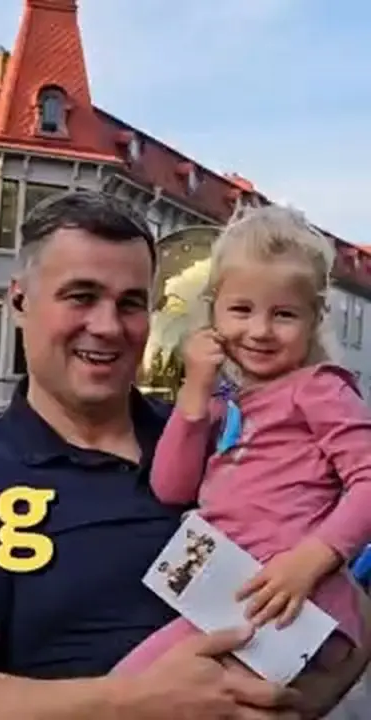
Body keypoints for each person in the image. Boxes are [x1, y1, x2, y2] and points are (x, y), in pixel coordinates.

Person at [0, 190, 370, 720]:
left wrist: (290, 704)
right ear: (19, 301)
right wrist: (132, 702)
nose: (107, 326)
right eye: (81, 296)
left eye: (131, 303)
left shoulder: (210, 428)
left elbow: (351, 611)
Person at [113, 207, 371, 705]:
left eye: (284, 314)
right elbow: (171, 487)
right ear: (213, 314)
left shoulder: (319, 389)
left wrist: (310, 560)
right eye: (241, 310)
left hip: (292, 601)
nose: (260, 330)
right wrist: (194, 395)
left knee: (128, 690)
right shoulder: (226, 403)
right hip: (237, 598)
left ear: (315, 319)